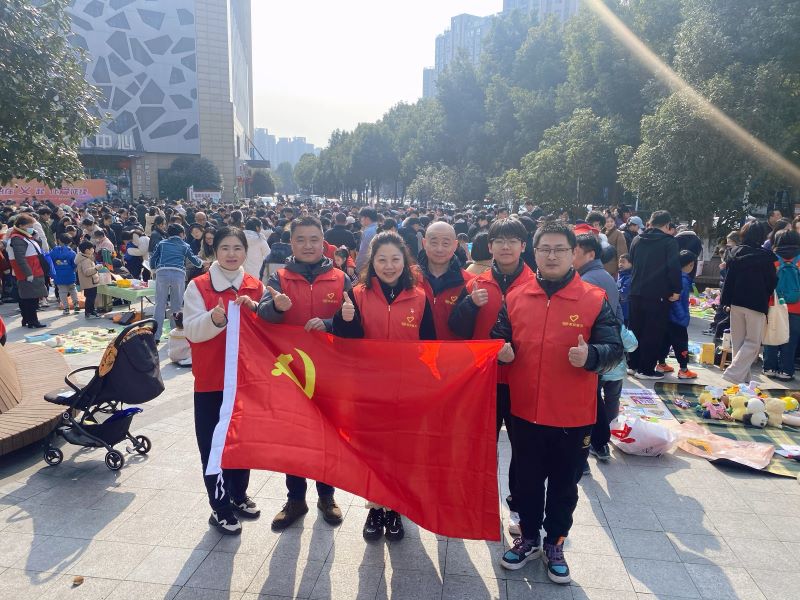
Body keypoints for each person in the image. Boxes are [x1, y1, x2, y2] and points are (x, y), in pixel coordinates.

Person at [493, 221, 622, 584]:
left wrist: (592, 356)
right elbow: (499, 337)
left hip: (573, 415)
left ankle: (555, 543)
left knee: (565, 486)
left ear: (573, 254)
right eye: (545, 249)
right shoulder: (516, 297)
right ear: (534, 252)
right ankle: (528, 539)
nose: (552, 256)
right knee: (527, 482)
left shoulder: (594, 299)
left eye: (560, 250)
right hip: (525, 412)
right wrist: (502, 351)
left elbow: (614, 349)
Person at [333, 231, 435, 542]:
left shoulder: (419, 297)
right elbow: (345, 342)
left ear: (405, 261)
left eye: (395, 259)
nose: (389, 266)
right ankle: (375, 509)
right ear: (372, 263)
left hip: (406, 391)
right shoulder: (357, 294)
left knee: (401, 452)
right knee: (372, 452)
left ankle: (396, 509)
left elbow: (430, 344)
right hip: (368, 389)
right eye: (382, 260)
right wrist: (344, 319)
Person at [256, 216, 351, 531]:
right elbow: (263, 317)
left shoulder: (340, 278)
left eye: (314, 239)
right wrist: (277, 308)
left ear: (323, 241)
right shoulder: (279, 277)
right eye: (301, 239)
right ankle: (295, 499)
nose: (308, 245)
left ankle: (327, 496)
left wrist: (332, 323)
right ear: (291, 243)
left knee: (327, 436)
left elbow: (355, 322)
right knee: (293, 437)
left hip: (330, 374)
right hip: (292, 373)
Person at [448, 218, 534, 537]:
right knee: (478, 446)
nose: (506, 247)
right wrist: (470, 305)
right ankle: (473, 501)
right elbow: (457, 328)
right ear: (490, 246)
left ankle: (517, 506)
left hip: (522, 382)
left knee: (522, 450)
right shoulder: (476, 283)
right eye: (500, 241)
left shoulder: (537, 284)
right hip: (483, 382)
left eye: (512, 241)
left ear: (523, 246)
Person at [183, 227, 264, 535]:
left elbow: (267, 328)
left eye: (237, 248)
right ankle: (219, 506)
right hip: (211, 382)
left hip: (245, 383)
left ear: (246, 251)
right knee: (213, 446)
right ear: (214, 250)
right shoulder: (199, 286)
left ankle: (238, 494)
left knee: (242, 443)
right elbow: (191, 331)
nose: (231, 254)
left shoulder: (255, 286)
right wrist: (213, 320)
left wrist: (271, 310)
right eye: (225, 247)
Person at [627, 211, 682, 380]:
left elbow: (632, 261)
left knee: (635, 329)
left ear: (650, 223)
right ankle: (646, 369)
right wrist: (676, 290)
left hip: (636, 291)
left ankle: (633, 365)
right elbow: (673, 268)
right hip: (658, 293)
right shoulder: (669, 242)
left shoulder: (637, 239)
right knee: (653, 332)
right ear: (667, 225)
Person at [720, 220, 776, 383]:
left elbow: (729, 279)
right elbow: (772, 282)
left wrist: (725, 301)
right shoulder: (766, 257)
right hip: (756, 303)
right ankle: (733, 374)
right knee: (753, 343)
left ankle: (743, 380)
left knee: (738, 342)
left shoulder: (734, 252)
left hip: (735, 302)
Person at [417, 221, 474, 339]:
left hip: (454, 350)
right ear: (424, 243)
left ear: (455, 245)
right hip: (416, 349)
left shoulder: (470, 283)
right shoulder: (408, 278)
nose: (439, 249)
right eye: (434, 243)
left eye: (446, 243)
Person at [150, 223, 204, 340]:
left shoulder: (162, 243)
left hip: (162, 272)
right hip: (178, 274)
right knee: (177, 305)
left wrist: (153, 269)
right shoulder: (185, 245)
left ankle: (156, 336)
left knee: (160, 304)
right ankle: (175, 332)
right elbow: (195, 261)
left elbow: (153, 259)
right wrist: (202, 262)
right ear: (181, 234)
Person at [762, 229, 800, 380]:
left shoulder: (771, 258)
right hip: (796, 307)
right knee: (790, 339)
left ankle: (769, 368)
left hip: (774, 304)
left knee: (772, 334)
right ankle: (786, 371)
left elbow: (765, 282)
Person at [661, 251, 699, 380]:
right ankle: (683, 370)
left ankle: (661, 364)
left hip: (667, 316)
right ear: (690, 265)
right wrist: (683, 317)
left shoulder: (671, 276)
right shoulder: (683, 280)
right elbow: (676, 301)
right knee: (681, 344)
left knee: (665, 341)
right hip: (677, 318)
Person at [6, 214, 48, 328]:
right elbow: (20, 258)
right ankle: (33, 321)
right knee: (31, 299)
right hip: (29, 272)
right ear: (21, 226)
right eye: (29, 226)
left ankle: (27, 319)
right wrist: (28, 273)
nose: (31, 228)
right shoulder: (17, 238)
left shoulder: (24, 236)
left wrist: (36, 238)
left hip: (34, 270)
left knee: (29, 298)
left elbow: (35, 248)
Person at [51, 234, 80, 315]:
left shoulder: (53, 251)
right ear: (70, 242)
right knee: (73, 289)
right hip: (70, 274)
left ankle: (66, 308)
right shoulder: (72, 252)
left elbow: (50, 262)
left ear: (59, 241)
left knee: (62, 292)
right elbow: (74, 264)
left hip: (58, 275)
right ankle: (76, 305)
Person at [75, 240, 102, 319]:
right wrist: (96, 268)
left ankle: (91, 311)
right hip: (89, 283)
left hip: (89, 282)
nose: (93, 250)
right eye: (92, 248)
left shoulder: (84, 257)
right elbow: (87, 272)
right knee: (90, 298)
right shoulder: (85, 260)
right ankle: (89, 312)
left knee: (91, 297)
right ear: (87, 250)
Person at [355, 207, 378, 272]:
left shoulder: (368, 231)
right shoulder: (377, 228)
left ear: (367, 218)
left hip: (367, 266)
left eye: (361, 217)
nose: (360, 220)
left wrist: (357, 267)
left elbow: (363, 252)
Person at [617, 254, 632, 325]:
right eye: (620, 262)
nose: (620, 264)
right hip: (620, 309)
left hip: (626, 311)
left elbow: (624, 292)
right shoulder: (620, 276)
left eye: (623, 262)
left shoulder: (630, 277)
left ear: (630, 264)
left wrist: (613, 293)